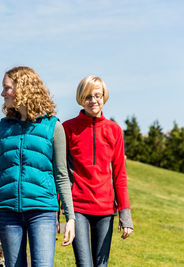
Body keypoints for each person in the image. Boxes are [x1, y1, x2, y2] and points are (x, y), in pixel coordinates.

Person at [0, 66, 75, 267]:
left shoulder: (53, 126)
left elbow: (61, 176)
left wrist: (70, 218)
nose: (2, 93)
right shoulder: (2, 127)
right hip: (7, 211)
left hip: (42, 212)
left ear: (23, 89)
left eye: (7, 88)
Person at [63, 76, 134, 267]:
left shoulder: (115, 130)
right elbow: (61, 173)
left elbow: (120, 175)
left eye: (97, 95)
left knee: (101, 265)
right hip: (77, 207)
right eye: (88, 96)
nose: (93, 101)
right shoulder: (67, 129)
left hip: (105, 209)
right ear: (81, 98)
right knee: (84, 264)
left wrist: (125, 215)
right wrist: (59, 209)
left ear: (104, 97)